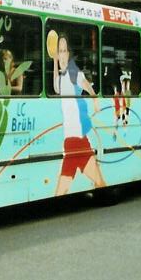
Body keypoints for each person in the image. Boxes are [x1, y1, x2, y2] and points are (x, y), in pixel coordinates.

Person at [50, 30, 106, 196]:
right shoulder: (62, 77)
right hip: (71, 144)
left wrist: (95, 101)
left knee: (98, 183)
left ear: (68, 54)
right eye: (59, 51)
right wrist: (54, 61)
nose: (61, 55)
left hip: (78, 143)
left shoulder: (74, 73)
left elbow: (88, 86)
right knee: (98, 183)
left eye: (64, 51)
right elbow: (56, 87)